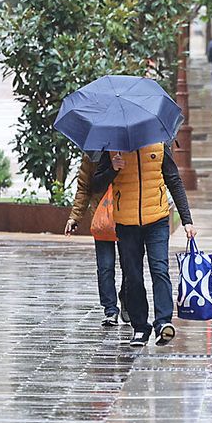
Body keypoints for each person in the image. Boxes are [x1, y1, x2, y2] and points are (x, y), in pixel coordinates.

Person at [83, 143, 195, 347]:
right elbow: (96, 185)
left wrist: (187, 220)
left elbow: (174, 180)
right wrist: (112, 169)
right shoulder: (112, 149)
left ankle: (163, 323)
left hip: (157, 219)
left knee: (159, 269)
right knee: (132, 275)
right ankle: (140, 327)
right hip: (126, 223)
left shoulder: (159, 145)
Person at [66, 152, 121, 327]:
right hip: (102, 217)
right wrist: (75, 216)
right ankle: (110, 309)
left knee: (131, 267)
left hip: (129, 216)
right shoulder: (93, 153)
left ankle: (128, 299)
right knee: (105, 267)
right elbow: (85, 187)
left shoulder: (133, 150)